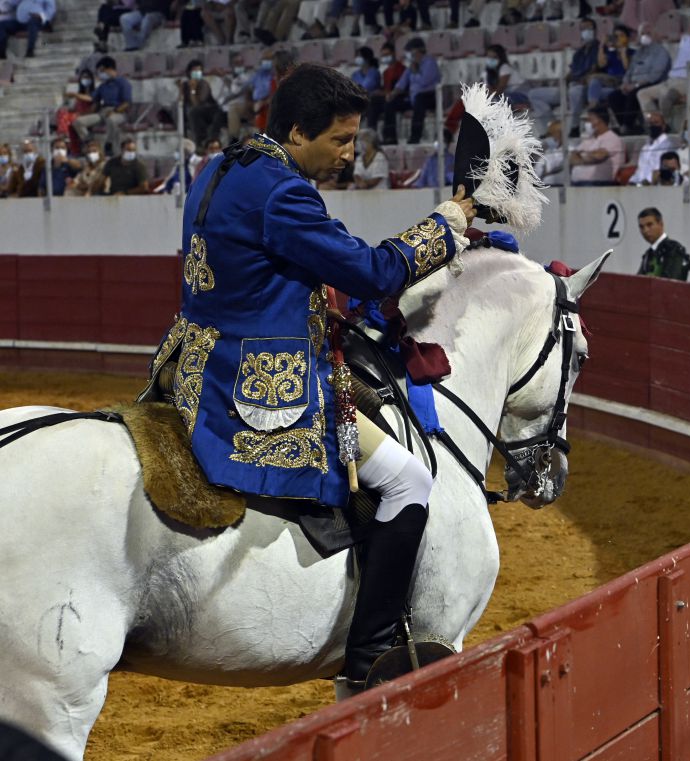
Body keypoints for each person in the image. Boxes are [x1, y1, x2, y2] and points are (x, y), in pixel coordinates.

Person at [138, 63, 475, 689]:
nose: (351, 153)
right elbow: (372, 272)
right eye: (340, 140)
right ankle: (372, 657)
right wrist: (446, 227)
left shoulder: (222, 165)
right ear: (296, 131)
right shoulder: (283, 192)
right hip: (255, 383)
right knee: (408, 479)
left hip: (190, 368)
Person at [636, 16, 690, 131]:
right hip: (671, 79)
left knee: (666, 96)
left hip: (688, 81)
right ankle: (654, 122)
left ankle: (663, 126)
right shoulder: (685, 40)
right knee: (642, 93)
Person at [528, 16, 599, 137]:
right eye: (582, 29)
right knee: (534, 94)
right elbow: (571, 71)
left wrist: (582, 81)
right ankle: (552, 128)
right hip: (571, 85)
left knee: (574, 91)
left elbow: (596, 68)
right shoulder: (579, 52)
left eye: (588, 28)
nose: (585, 31)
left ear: (595, 30)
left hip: (585, 87)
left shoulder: (600, 48)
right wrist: (563, 83)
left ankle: (575, 127)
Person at [606, 23, 670, 135]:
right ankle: (624, 126)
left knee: (635, 93)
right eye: (643, 34)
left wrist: (635, 85)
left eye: (648, 33)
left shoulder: (661, 52)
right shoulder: (639, 52)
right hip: (632, 83)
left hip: (651, 83)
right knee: (614, 96)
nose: (645, 36)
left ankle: (627, 125)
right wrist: (625, 83)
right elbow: (629, 71)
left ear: (655, 34)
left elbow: (655, 75)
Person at [382, 37, 440, 145]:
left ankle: (415, 136)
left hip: (429, 97)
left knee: (420, 99)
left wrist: (415, 70)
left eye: (410, 51)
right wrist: (393, 94)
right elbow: (402, 83)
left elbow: (424, 81)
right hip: (414, 98)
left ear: (417, 51)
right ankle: (390, 137)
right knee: (390, 103)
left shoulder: (429, 62)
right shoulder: (412, 66)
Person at [73, 56, 131, 156]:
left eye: (102, 71)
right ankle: (89, 142)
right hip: (103, 112)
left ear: (109, 69)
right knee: (78, 122)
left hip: (119, 112)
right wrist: (76, 96)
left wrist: (115, 111)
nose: (100, 74)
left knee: (111, 120)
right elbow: (92, 98)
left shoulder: (123, 83)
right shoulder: (103, 85)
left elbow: (127, 102)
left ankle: (109, 144)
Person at [569, 105, 624, 186]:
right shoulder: (589, 139)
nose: (586, 124)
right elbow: (571, 158)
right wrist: (589, 155)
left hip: (600, 184)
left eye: (589, 120)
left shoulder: (612, 139)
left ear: (600, 120)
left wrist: (581, 156)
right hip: (578, 184)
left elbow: (598, 157)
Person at [636, 207, 690, 280]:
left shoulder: (674, 249)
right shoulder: (648, 254)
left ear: (661, 224)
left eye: (649, 225)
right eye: (641, 227)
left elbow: (670, 283)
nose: (645, 230)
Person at [182, 58, 225, 147]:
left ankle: (201, 142)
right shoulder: (185, 84)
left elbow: (198, 103)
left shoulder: (203, 84)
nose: (197, 73)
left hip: (209, 110)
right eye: (195, 70)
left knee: (193, 112)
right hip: (195, 112)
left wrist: (193, 90)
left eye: (199, 70)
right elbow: (181, 101)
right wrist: (180, 90)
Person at [364, 41, 404, 132]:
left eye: (387, 54)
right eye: (383, 55)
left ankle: (389, 135)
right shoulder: (385, 72)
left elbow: (400, 89)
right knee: (372, 102)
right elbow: (386, 89)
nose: (385, 57)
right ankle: (371, 132)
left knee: (388, 103)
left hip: (399, 98)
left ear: (394, 53)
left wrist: (384, 93)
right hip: (387, 97)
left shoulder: (401, 69)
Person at [628, 111, 676, 185]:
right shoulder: (645, 147)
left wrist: (648, 183)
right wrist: (632, 181)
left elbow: (665, 171)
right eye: (650, 123)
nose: (653, 125)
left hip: (655, 186)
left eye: (656, 123)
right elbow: (640, 170)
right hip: (639, 186)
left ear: (663, 126)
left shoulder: (669, 146)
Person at [533, 118, 565, 185]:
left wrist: (547, 173)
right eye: (551, 134)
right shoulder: (549, 150)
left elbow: (563, 165)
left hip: (558, 181)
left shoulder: (568, 149)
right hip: (542, 182)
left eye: (554, 133)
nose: (552, 136)